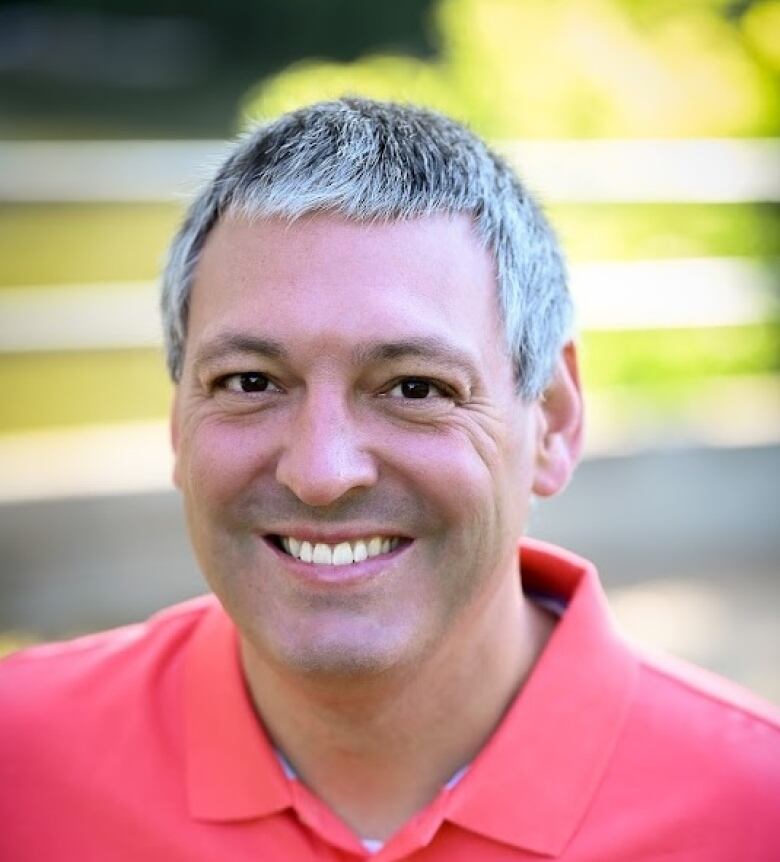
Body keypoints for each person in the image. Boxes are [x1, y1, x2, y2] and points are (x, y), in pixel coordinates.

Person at [1, 98, 778, 861]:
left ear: (552, 419)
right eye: (249, 382)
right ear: (177, 421)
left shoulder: (753, 813)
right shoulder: (21, 764)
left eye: (414, 388)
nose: (320, 472)